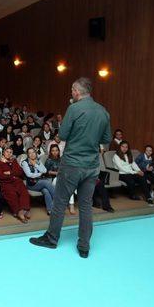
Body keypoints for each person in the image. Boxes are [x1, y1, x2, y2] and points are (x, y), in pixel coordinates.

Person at [30, 77, 111, 259]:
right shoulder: (103, 111)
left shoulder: (74, 108)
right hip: (91, 166)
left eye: (72, 90)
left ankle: (51, 238)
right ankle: (84, 246)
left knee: (59, 202)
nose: (71, 94)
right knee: (85, 205)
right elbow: (106, 139)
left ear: (76, 91)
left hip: (72, 164)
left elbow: (63, 134)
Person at [0, 147, 31, 223]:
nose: (9, 153)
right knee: (12, 194)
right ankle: (19, 212)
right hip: (6, 182)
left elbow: (20, 172)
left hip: (17, 181)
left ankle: (24, 209)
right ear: (3, 152)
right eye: (7, 151)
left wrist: (9, 173)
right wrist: (13, 174)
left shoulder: (14, 161)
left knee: (24, 192)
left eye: (10, 152)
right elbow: (0, 175)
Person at [113, 141, 154, 205]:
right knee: (131, 181)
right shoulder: (116, 156)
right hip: (121, 174)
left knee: (142, 177)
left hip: (130, 172)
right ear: (119, 147)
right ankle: (132, 195)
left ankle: (148, 197)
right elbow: (121, 168)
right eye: (123, 146)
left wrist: (139, 170)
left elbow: (133, 164)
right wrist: (135, 172)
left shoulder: (129, 155)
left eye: (126, 147)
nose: (124, 148)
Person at [45, 144, 75, 214]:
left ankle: (71, 205)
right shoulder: (48, 160)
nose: (55, 152)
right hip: (53, 179)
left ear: (59, 151)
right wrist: (57, 173)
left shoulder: (61, 159)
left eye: (56, 150)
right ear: (50, 152)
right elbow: (46, 172)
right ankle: (70, 204)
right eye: (53, 151)